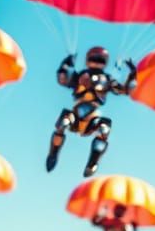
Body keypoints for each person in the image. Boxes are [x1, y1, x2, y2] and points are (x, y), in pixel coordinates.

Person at [45, 47, 137, 177]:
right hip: (76, 115)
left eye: (99, 59)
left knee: (104, 128)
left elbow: (125, 90)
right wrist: (67, 63)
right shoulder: (79, 77)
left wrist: (132, 73)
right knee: (63, 122)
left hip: (93, 119)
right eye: (94, 59)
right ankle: (53, 153)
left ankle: (93, 162)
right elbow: (62, 79)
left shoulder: (107, 80)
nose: (96, 62)